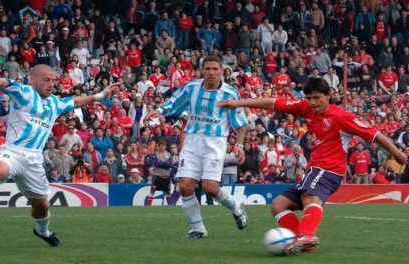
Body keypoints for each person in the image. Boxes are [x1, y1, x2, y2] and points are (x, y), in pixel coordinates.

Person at [217, 77, 407, 254]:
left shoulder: (341, 117)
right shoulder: (305, 107)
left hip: (328, 169)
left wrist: (397, 154)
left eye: (317, 98)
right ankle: (299, 240)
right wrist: (238, 103)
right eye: (309, 98)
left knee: (310, 197)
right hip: (314, 169)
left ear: (329, 96)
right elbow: (271, 102)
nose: (313, 102)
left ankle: (306, 235)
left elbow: (375, 135)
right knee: (278, 205)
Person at [0, 65, 117, 247]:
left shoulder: (55, 102)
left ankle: (42, 231)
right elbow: (7, 83)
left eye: (53, 80)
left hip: (34, 160)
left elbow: (76, 102)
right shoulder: (24, 92)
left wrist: (100, 95)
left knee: (42, 206)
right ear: (32, 79)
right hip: (13, 151)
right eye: (46, 79)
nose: (51, 84)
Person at [146, 55, 249, 239]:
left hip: (215, 143)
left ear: (221, 70)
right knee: (185, 185)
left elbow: (242, 123)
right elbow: (173, 103)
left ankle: (236, 207)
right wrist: (159, 110)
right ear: (202, 70)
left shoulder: (230, 93)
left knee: (210, 187)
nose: (211, 73)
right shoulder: (191, 87)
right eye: (207, 69)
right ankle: (198, 228)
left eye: (215, 69)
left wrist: (239, 145)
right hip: (192, 141)